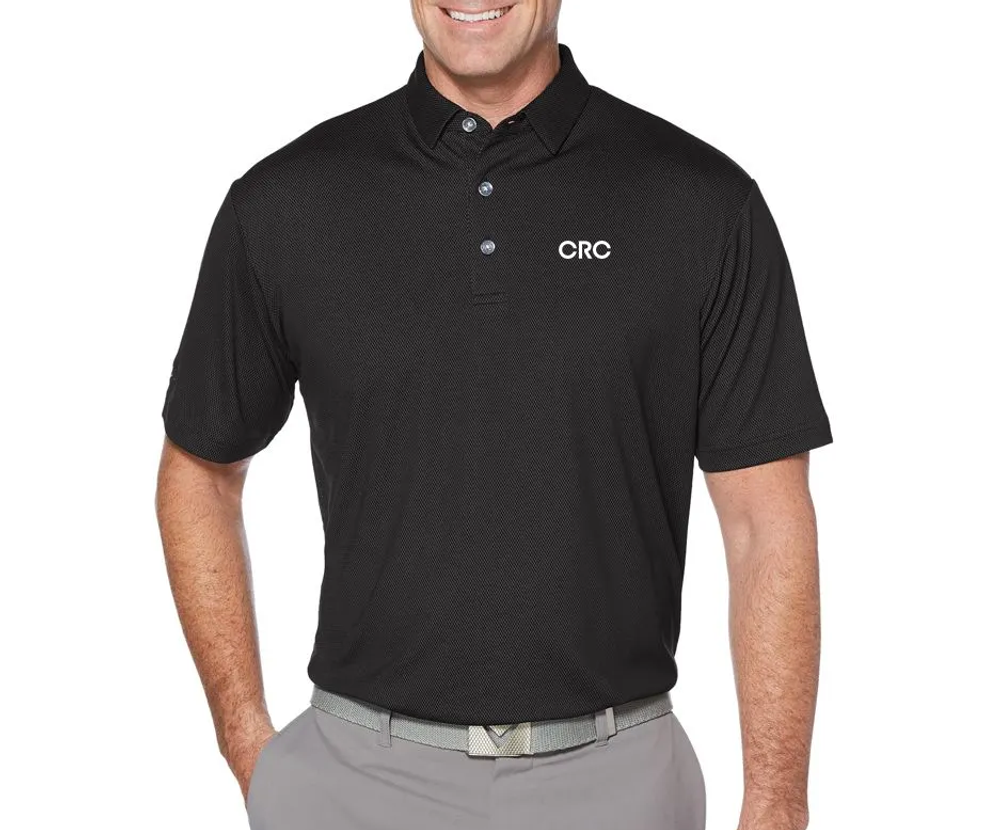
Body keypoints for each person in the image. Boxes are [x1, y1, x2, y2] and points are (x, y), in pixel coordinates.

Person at [155, 2, 832, 828]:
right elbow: (199, 473)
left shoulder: (702, 203)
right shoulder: (287, 203)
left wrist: (777, 803)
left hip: (619, 786)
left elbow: (766, 521)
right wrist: (249, 744)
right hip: (350, 784)